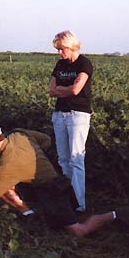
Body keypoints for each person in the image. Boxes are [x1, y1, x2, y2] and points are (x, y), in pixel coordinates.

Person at [0, 122, 129, 239]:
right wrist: (36, 160)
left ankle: (116, 215)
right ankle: (31, 215)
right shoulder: (19, 133)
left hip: (54, 191)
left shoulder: (7, 166)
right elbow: (46, 140)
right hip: (50, 184)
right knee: (6, 187)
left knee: (78, 231)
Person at [48, 31, 93, 212]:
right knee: (63, 159)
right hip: (60, 114)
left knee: (76, 159)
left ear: (71, 46)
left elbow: (76, 90)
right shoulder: (60, 64)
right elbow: (51, 90)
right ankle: (68, 200)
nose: (59, 53)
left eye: (61, 49)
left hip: (78, 115)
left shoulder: (84, 63)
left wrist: (62, 89)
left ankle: (79, 204)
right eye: (58, 49)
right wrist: (64, 89)